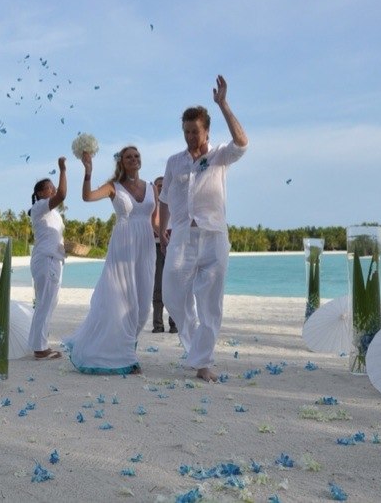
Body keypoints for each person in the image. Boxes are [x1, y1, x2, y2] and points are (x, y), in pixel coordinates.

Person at [160, 75, 248, 382]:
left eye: (194, 131)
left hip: (213, 236)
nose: (189, 136)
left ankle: (202, 363)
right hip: (182, 236)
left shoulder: (219, 155)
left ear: (206, 131)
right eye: (186, 131)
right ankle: (196, 349)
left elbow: (242, 142)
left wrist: (223, 104)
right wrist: (162, 231)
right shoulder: (174, 162)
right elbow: (165, 198)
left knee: (211, 303)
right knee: (172, 295)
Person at [64, 146, 155, 374]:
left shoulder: (152, 187)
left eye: (136, 156)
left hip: (146, 248)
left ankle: (126, 347)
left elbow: (155, 220)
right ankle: (127, 355)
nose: (133, 159)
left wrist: (165, 236)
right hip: (122, 248)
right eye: (128, 157)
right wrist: (88, 171)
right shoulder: (113, 186)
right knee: (123, 303)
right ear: (121, 162)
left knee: (144, 306)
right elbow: (87, 197)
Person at [28, 157, 68, 360]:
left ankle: (38, 343)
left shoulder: (53, 214)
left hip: (54, 259)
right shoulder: (40, 207)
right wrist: (63, 170)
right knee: (45, 302)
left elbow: (53, 236)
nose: (53, 189)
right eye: (49, 187)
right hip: (46, 260)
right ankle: (40, 348)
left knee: (49, 302)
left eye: (53, 187)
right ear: (40, 193)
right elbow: (62, 195)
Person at [151, 176, 177, 334]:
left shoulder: (174, 204)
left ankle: (174, 323)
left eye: (163, 185)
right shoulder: (151, 206)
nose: (161, 188)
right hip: (156, 247)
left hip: (173, 247)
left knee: (174, 287)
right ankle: (158, 324)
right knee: (158, 287)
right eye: (158, 186)